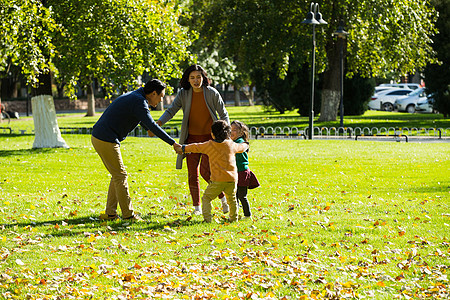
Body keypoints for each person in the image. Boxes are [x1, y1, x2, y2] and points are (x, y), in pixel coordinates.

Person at [91, 79, 180, 221]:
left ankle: (110, 213)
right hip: (105, 138)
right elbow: (151, 124)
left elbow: (145, 123)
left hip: (101, 136)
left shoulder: (136, 97)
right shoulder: (139, 101)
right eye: (161, 97)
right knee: (121, 176)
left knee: (117, 175)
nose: (161, 101)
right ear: (153, 93)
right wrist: (173, 143)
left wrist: (151, 129)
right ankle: (128, 215)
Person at [152, 65, 229, 215]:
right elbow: (171, 110)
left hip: (209, 140)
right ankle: (197, 208)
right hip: (191, 140)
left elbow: (223, 113)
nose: (196, 80)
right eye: (192, 77)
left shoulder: (212, 93)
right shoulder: (183, 94)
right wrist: (159, 122)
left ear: (204, 77)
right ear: (188, 79)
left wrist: (225, 134)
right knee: (192, 174)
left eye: (198, 77)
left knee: (207, 173)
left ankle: (224, 199)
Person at [174, 120, 248, 223]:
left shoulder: (209, 145)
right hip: (232, 180)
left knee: (207, 198)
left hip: (217, 180)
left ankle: (208, 219)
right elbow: (242, 147)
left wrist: (183, 148)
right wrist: (246, 145)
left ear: (212, 134)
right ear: (228, 134)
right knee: (232, 200)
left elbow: (196, 147)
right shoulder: (231, 144)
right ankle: (233, 219)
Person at [230, 121, 260, 219]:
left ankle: (247, 215)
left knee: (242, 196)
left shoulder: (239, 142)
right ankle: (235, 214)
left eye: (234, 130)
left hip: (242, 173)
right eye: (230, 130)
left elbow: (236, 148)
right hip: (235, 173)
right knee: (235, 195)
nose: (231, 132)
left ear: (241, 132)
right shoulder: (233, 142)